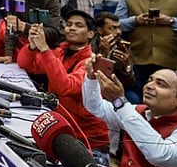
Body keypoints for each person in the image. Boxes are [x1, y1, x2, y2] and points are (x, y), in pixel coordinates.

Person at [19, 11, 110, 150]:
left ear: (91, 33)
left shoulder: (92, 62)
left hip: (88, 140)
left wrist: (44, 48)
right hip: (62, 127)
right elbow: (27, 64)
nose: (72, 28)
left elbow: (66, 87)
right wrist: (32, 46)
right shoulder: (60, 52)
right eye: (69, 24)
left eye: (78, 25)